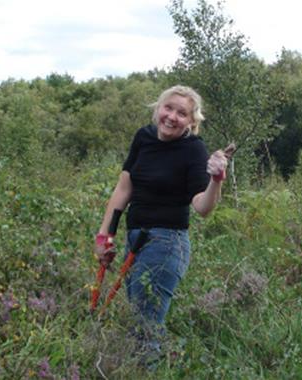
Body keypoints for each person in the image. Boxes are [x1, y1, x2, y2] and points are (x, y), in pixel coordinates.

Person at [93, 85, 230, 364]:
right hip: (135, 239)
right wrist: (104, 236)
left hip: (167, 244)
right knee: (137, 318)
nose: (172, 116)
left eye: (182, 113)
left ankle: (148, 370)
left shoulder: (193, 150)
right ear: (158, 108)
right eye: (168, 108)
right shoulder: (144, 137)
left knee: (145, 325)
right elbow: (123, 189)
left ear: (192, 122)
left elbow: (202, 207)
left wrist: (216, 180)